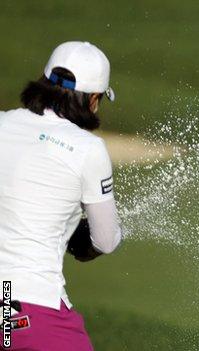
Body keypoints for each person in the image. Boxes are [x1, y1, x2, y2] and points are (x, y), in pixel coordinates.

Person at [0, 41, 123, 351]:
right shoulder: (88, 149)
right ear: (93, 99)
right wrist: (78, 240)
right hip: (26, 308)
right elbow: (105, 240)